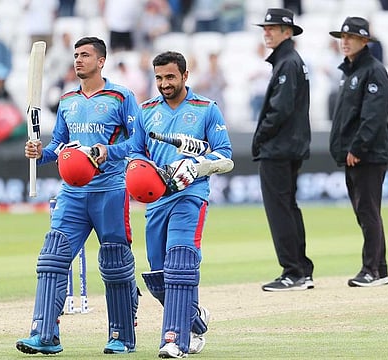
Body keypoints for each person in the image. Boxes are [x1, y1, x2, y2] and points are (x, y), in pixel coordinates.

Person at [16, 37, 140, 355]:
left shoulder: (121, 97)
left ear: (101, 61)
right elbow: (60, 145)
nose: (78, 60)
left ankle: (122, 335)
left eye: (85, 55)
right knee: (52, 258)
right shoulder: (68, 100)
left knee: (114, 263)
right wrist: (39, 152)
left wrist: (107, 150)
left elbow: (138, 144)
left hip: (110, 190)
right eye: (76, 55)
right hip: (72, 193)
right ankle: (45, 334)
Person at [129, 51, 233, 358]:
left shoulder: (206, 109)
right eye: (159, 77)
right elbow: (135, 155)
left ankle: (174, 340)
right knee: (158, 275)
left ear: (185, 76)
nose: (164, 83)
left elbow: (225, 156)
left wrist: (196, 166)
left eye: (170, 77)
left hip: (191, 197)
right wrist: (141, 174)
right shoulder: (146, 110)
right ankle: (195, 320)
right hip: (156, 201)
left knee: (180, 265)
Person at [251, 8, 314, 292]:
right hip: (289, 146)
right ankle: (301, 269)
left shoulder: (287, 62)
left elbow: (280, 110)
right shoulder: (290, 61)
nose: (267, 32)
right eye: (265, 28)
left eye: (273, 28)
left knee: (279, 209)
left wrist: (260, 137)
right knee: (288, 206)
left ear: (287, 32)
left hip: (279, 148)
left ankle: (292, 272)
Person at [328, 17, 388, 287]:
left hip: (367, 155)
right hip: (355, 154)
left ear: (364, 41)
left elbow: (374, 115)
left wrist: (358, 147)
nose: (345, 42)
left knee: (367, 211)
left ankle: (371, 270)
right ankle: (381, 268)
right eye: (342, 37)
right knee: (366, 211)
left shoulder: (373, 71)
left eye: (351, 37)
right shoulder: (351, 72)